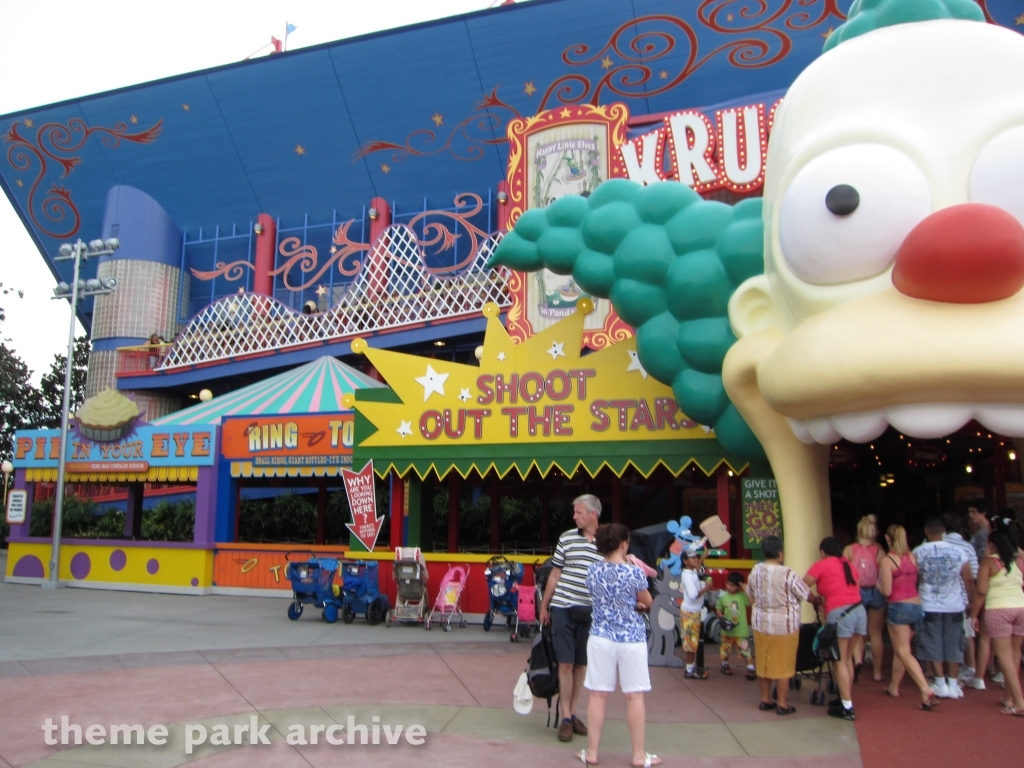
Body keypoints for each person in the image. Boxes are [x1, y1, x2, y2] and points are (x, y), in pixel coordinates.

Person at [579, 523, 660, 767]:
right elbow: (647, 601)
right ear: (624, 544)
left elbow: (599, 597)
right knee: (634, 696)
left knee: (597, 694)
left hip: (601, 636)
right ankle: (638, 755)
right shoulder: (635, 571)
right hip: (631, 638)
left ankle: (592, 752)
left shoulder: (593, 570)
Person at [539, 493, 603, 742]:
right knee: (564, 663)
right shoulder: (566, 538)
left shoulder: (607, 542)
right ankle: (565, 717)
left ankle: (574, 711)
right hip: (564, 607)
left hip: (591, 611)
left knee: (580, 664)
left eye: (578, 512)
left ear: (592, 514)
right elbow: (555, 574)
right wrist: (545, 607)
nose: (574, 516)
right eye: (574, 512)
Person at [746, 535, 811, 715]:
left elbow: (749, 594)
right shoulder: (788, 573)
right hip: (785, 626)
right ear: (780, 554)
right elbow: (805, 593)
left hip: (761, 624)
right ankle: (782, 703)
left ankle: (766, 700)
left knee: (764, 662)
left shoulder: (756, 571)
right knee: (784, 664)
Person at [878, 524, 939, 710]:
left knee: (904, 651)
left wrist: (876, 584)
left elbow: (887, 590)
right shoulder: (912, 557)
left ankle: (924, 688)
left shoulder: (888, 560)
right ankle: (894, 686)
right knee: (901, 650)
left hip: (899, 606)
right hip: (916, 606)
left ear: (888, 539)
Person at [805, 537, 866, 721]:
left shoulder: (821, 565)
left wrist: (815, 600)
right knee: (847, 659)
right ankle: (844, 698)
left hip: (840, 614)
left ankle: (847, 707)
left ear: (823, 552)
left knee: (838, 659)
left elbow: (801, 585)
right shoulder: (849, 565)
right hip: (858, 611)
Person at [913, 517, 974, 699]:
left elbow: (914, 578)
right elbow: (968, 578)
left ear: (926, 531)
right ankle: (954, 684)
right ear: (944, 531)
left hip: (929, 603)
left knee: (933, 642)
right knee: (954, 643)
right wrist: (970, 601)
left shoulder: (918, 552)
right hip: (954, 604)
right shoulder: (960, 551)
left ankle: (940, 682)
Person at [970, 529, 1024, 716]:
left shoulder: (989, 562)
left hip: (998, 609)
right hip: (1020, 607)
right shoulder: (1018, 561)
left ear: (992, 545)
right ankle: (1009, 697)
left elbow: (981, 591)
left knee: (1004, 657)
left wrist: (974, 614)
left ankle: (1019, 701)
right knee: (1015, 656)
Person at [941, 512, 982, 689]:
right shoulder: (967, 546)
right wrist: (972, 599)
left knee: (941, 635)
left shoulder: (933, 544)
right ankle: (971, 667)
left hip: (938, 598)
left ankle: (942, 674)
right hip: (962, 598)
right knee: (967, 635)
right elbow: (972, 576)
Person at [844, 514, 885, 683]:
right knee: (875, 634)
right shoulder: (879, 551)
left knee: (857, 632)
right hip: (876, 591)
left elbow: (843, 572)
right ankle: (877, 673)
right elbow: (884, 574)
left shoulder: (849, 549)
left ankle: (858, 662)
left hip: (856, 592)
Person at [679, 546, 712, 679]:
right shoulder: (687, 576)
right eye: (693, 558)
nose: (696, 560)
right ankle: (689, 669)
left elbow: (698, 567)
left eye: (696, 557)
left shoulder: (691, 571)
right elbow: (693, 595)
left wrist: (703, 556)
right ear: (686, 561)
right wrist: (707, 588)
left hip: (694, 611)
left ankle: (691, 667)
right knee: (690, 642)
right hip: (690, 612)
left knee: (693, 641)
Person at [716, 572, 755, 679]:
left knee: (745, 650)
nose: (729, 587)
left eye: (732, 585)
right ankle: (725, 664)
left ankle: (750, 668)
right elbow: (718, 607)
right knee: (725, 649)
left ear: (739, 586)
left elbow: (753, 603)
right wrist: (720, 616)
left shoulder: (743, 596)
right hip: (727, 630)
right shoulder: (723, 597)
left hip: (741, 630)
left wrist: (746, 590)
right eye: (728, 584)